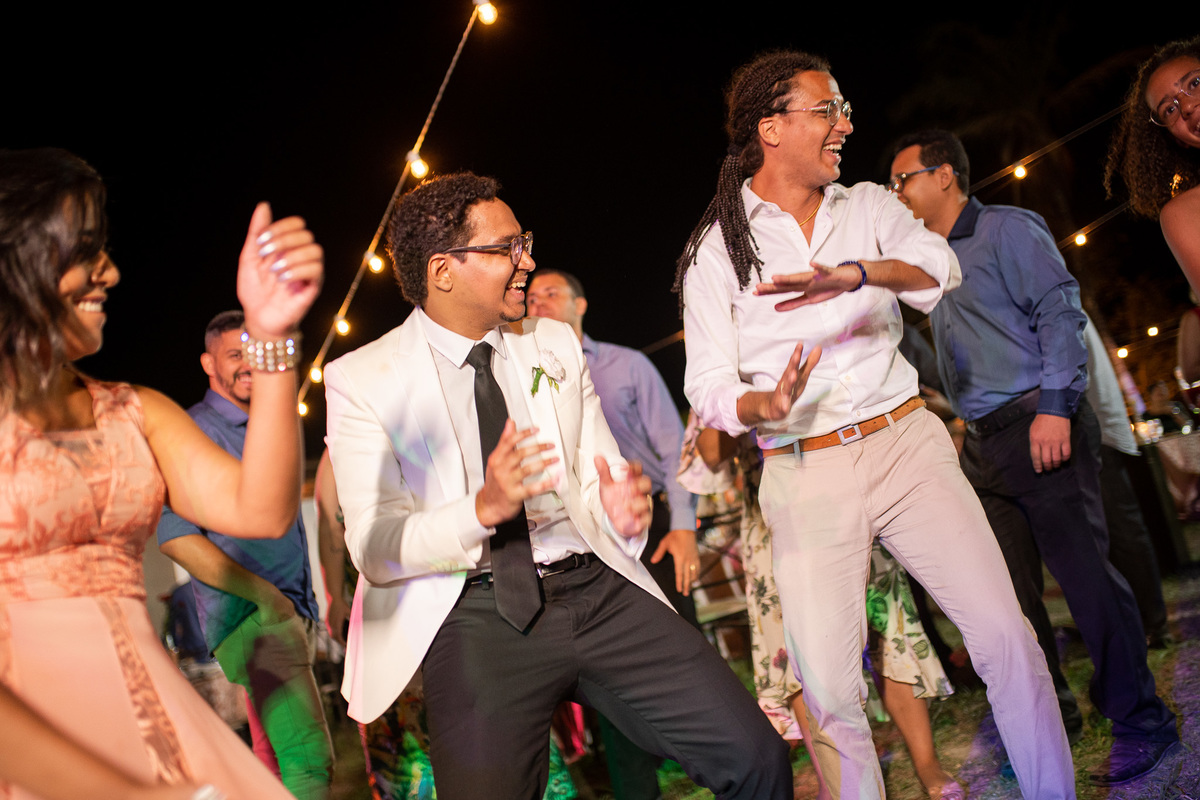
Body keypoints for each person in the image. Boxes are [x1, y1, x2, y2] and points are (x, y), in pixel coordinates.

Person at [675, 51, 1072, 799]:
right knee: (829, 690)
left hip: (905, 445)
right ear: (771, 128)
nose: (845, 125)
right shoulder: (715, 250)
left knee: (1006, 636)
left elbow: (937, 269)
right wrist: (763, 407)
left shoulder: (867, 206)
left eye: (844, 108)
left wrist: (858, 272)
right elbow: (709, 386)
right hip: (804, 470)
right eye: (827, 110)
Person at [323, 172, 791, 800]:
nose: (527, 262)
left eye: (525, 242)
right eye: (506, 248)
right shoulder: (362, 379)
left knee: (755, 756)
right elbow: (374, 547)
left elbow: (597, 474)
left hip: (597, 589)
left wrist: (623, 511)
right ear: (442, 271)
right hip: (472, 613)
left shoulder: (554, 342)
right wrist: (482, 509)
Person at [0, 148, 322, 799]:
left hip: (167, 727)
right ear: (17, 259)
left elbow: (263, 511)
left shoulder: (134, 411)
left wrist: (271, 333)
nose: (110, 271)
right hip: (36, 750)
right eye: (85, 250)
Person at [890, 128, 1180, 785]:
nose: (895, 192)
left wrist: (1054, 408)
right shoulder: (928, 262)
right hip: (982, 444)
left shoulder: (1006, 229)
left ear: (944, 175)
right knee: (1009, 600)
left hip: (1038, 423)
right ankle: (1054, 720)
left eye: (902, 178)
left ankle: (1143, 722)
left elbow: (1059, 313)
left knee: (1086, 582)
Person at [681, 419, 960, 800]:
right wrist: (750, 406)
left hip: (844, 486)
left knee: (886, 621)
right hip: (771, 512)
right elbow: (712, 453)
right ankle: (832, 778)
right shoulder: (715, 382)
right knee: (793, 646)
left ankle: (927, 763)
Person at [312, 448, 578, 800]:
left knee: (496, 723)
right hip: (388, 617)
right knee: (409, 751)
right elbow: (331, 527)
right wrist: (335, 596)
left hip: (459, 600)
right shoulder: (336, 456)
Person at [526, 268, 699, 800]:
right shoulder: (524, 377)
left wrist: (684, 527)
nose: (537, 302)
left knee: (681, 650)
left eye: (550, 293)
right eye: (530, 296)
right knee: (609, 675)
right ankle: (635, 789)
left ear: (581, 304)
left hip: (651, 524)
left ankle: (714, 763)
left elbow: (673, 449)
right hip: (581, 539)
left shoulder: (627, 365)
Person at [156, 310, 334, 800]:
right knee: (309, 762)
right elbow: (174, 536)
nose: (249, 364)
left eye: (255, 352)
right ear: (208, 364)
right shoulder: (196, 430)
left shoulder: (268, 424)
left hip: (285, 611)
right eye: (235, 354)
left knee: (271, 762)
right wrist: (265, 599)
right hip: (254, 618)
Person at [1105, 36, 1200, 294]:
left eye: (1195, 83)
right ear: (1177, 140)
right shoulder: (1185, 214)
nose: (1187, 106)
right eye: (1169, 109)